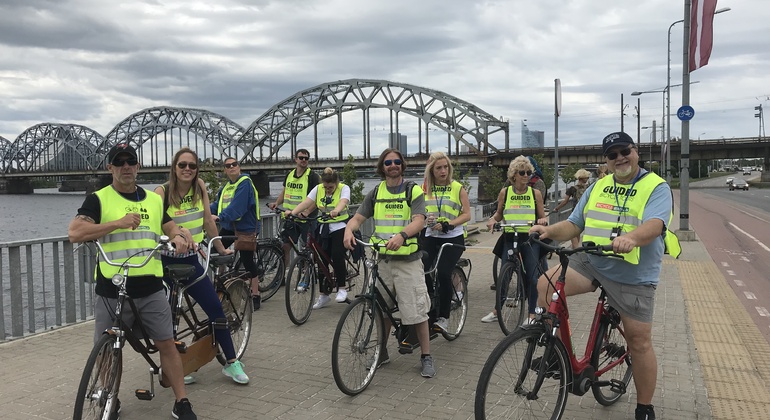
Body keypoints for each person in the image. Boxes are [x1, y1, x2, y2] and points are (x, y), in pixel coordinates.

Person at [529, 131, 681, 420]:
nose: (620, 158)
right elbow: (574, 225)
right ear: (607, 161)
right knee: (545, 286)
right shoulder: (597, 186)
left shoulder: (656, 187)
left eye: (625, 151)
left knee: (639, 341)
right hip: (594, 262)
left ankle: (645, 408)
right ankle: (558, 357)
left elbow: (655, 224)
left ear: (636, 152)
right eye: (613, 155)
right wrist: (549, 231)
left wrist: (633, 238)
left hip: (633, 273)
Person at [68, 143, 198, 420]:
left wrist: (177, 236)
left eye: (131, 162)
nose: (126, 167)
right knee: (107, 351)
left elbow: (169, 225)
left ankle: (181, 401)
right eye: (120, 162)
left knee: (166, 343)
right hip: (110, 288)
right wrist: (116, 223)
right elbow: (76, 232)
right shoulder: (98, 199)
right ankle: (109, 400)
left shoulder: (153, 199)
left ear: (138, 167)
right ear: (110, 168)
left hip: (150, 286)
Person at [154, 148, 249, 385]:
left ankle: (231, 362)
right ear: (174, 167)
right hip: (165, 262)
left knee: (216, 309)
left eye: (192, 166)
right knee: (168, 316)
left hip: (191, 261)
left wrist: (220, 249)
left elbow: (208, 219)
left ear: (197, 170)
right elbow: (155, 225)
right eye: (182, 165)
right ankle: (175, 367)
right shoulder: (161, 192)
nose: (187, 169)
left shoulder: (200, 188)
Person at [343, 148, 436, 378]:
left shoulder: (412, 190)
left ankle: (426, 356)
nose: (392, 165)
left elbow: (419, 221)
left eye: (396, 162)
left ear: (402, 165)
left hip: (407, 260)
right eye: (387, 163)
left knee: (417, 311)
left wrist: (402, 235)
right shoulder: (375, 192)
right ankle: (381, 352)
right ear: (382, 167)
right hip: (381, 259)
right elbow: (357, 218)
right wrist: (348, 230)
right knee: (380, 309)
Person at [482, 156, 548, 324]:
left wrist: (542, 221)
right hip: (510, 237)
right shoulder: (506, 192)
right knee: (504, 275)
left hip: (530, 239)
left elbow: (542, 217)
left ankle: (532, 314)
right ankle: (497, 311)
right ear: (514, 175)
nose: (526, 176)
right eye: (522, 172)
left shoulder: (536, 194)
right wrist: (492, 220)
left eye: (528, 172)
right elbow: (499, 213)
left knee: (533, 277)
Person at [422, 151, 470, 333]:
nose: (443, 171)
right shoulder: (425, 188)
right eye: (438, 168)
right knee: (421, 268)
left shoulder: (458, 187)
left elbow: (467, 214)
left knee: (443, 273)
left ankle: (444, 317)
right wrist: (426, 218)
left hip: (453, 237)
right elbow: (418, 212)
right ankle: (430, 305)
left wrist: (448, 223)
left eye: (445, 167)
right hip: (431, 235)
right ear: (431, 170)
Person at [289, 167, 351, 309]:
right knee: (320, 260)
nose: (328, 190)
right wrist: (293, 212)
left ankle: (342, 288)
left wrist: (337, 210)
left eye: (330, 187)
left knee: (337, 255)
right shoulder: (318, 188)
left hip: (339, 226)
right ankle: (324, 295)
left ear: (336, 183)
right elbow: (306, 202)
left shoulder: (344, 188)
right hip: (323, 227)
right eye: (326, 187)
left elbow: (343, 201)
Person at [210, 157, 262, 310]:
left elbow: (238, 206)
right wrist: (205, 213)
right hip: (229, 225)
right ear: (225, 170)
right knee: (216, 252)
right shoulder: (226, 187)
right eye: (228, 165)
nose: (231, 167)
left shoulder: (245, 183)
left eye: (234, 164)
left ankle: (255, 294)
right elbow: (217, 204)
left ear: (239, 167)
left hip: (246, 227)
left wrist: (220, 217)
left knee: (247, 261)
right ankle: (222, 285)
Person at [268, 149, 321, 268]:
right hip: (290, 218)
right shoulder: (289, 175)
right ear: (295, 159)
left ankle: (307, 275)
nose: (303, 160)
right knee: (285, 246)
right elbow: (285, 191)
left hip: (307, 220)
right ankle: (282, 276)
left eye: (306, 158)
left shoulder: (312, 176)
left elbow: (317, 198)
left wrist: (307, 212)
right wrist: (277, 203)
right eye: (301, 157)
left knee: (307, 249)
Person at [553, 168, 591, 248]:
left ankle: (575, 252)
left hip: (576, 213)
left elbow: (565, 201)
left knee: (574, 234)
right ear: (582, 178)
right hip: (587, 213)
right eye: (586, 177)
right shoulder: (589, 188)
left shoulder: (572, 189)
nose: (587, 179)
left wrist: (557, 208)